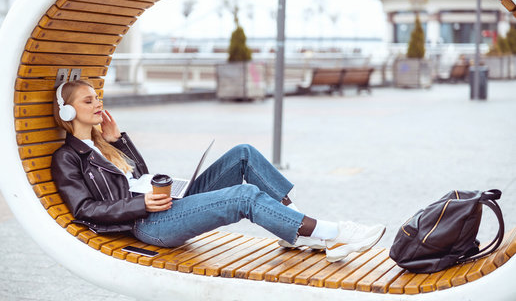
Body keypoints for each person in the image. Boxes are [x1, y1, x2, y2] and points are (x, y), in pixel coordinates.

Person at [51, 80, 385, 262]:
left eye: (97, 97)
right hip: (148, 224)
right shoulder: (67, 158)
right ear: (67, 112)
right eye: (87, 100)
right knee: (244, 196)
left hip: (162, 206)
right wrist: (141, 206)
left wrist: (119, 141)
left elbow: (140, 176)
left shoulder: (105, 143)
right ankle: (332, 233)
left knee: (243, 154)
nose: (98, 104)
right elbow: (84, 210)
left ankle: (297, 231)